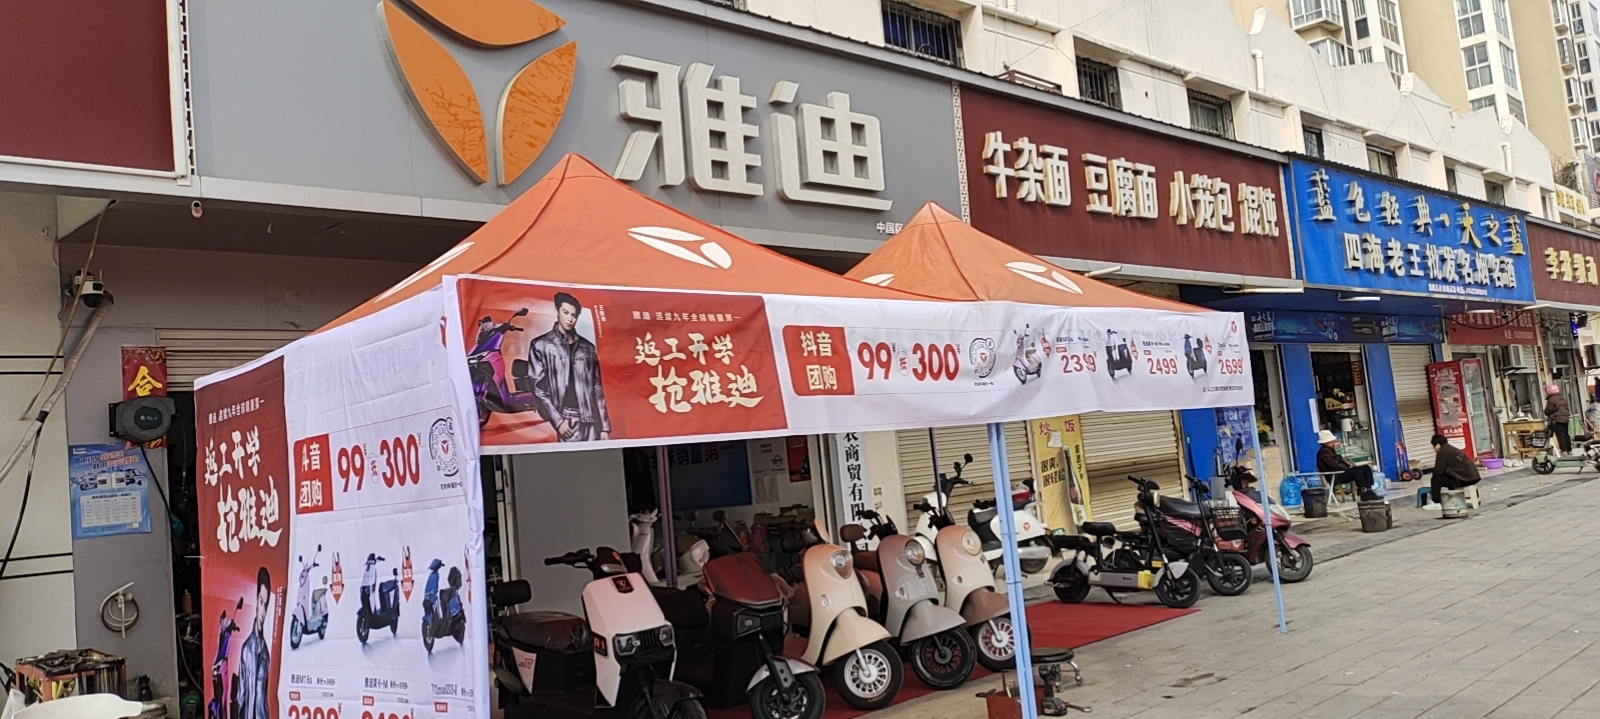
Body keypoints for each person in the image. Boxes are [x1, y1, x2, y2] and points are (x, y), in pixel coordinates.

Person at [528, 292, 611, 442]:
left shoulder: (588, 348)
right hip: (568, 421)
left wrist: (604, 427)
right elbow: (538, 388)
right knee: (574, 457)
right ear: (557, 311)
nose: (570, 319)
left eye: (573, 315)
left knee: (599, 457)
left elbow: (597, 388)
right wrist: (558, 421)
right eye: (565, 313)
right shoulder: (540, 345)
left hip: (592, 420)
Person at [237, 567, 272, 719]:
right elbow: (240, 696)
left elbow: (264, 697)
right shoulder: (246, 649)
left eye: (266, 605)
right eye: (261, 602)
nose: (263, 612)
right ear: (256, 600)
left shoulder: (266, 654)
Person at [1315, 430, 1380, 501]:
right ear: (1325, 443)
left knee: (1366, 468)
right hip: (1335, 475)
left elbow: (1339, 462)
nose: (1333, 443)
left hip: (1340, 473)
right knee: (1357, 471)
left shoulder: (1330, 450)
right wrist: (1342, 463)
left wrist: (1344, 463)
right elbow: (1334, 466)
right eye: (1331, 442)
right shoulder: (1324, 452)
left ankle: (1369, 490)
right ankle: (1363, 492)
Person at [1429, 434, 1481, 506]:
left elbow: (1438, 471)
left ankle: (1436, 502)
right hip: (1473, 477)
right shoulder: (1451, 449)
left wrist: (1433, 471)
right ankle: (1453, 498)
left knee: (1436, 479)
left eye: (1433, 446)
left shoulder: (1442, 451)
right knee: (1448, 477)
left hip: (1465, 479)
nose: (1433, 449)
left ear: (1438, 445)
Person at [1544, 384, 1573, 456]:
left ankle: (1563, 450)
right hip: (1565, 418)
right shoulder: (1562, 398)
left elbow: (1548, 410)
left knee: (1560, 435)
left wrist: (1547, 413)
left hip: (1557, 419)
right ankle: (1569, 450)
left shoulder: (1551, 399)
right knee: (1566, 434)